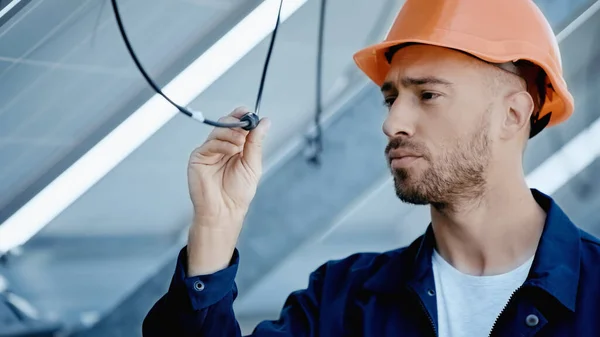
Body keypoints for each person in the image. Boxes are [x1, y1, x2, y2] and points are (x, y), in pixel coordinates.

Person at [143, 0, 600, 335]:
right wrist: (214, 229)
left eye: (427, 95)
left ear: (513, 115)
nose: (392, 122)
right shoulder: (341, 300)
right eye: (390, 98)